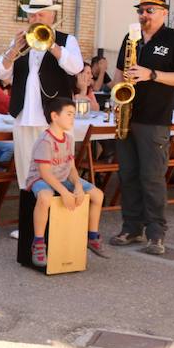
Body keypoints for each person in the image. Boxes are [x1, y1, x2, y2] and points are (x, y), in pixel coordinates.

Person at [109, 0, 174, 255]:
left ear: (164, 12)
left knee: (152, 178)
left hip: (155, 119)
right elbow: (119, 72)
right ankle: (131, 227)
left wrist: (151, 74)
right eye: (141, 10)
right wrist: (116, 91)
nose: (144, 15)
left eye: (150, 10)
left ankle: (156, 234)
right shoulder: (130, 37)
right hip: (127, 115)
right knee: (128, 175)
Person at [0, 0, 83, 197]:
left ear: (52, 16)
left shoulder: (67, 40)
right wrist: (13, 50)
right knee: (26, 173)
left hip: (53, 118)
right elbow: (0, 72)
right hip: (24, 116)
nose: (35, 20)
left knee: (57, 172)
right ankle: (29, 228)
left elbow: (76, 67)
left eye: (40, 15)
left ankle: (53, 225)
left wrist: (52, 45)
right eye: (32, 16)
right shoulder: (19, 41)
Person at [26, 97, 107, 267]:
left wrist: (77, 186)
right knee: (45, 198)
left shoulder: (69, 139)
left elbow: (71, 168)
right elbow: (45, 173)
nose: (72, 118)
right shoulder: (45, 141)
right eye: (69, 114)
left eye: (74, 114)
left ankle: (92, 237)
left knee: (97, 195)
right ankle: (39, 243)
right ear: (55, 116)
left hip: (63, 178)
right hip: (41, 179)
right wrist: (64, 192)